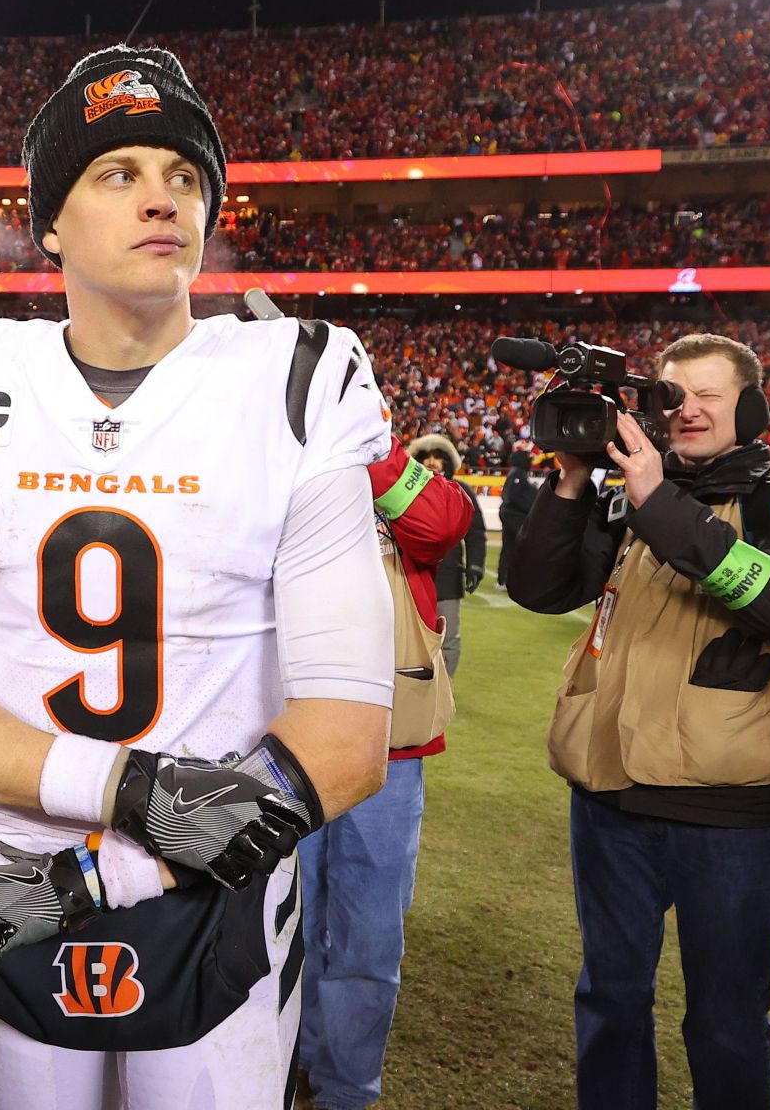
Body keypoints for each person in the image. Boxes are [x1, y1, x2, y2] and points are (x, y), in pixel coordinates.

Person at [0, 45, 396, 1110]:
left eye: (185, 175)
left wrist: (94, 871)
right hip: (24, 871)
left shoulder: (298, 376)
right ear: (49, 222)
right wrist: (132, 794)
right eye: (119, 173)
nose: (163, 196)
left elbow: (348, 735)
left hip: (207, 899)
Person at [509, 332, 770, 1110]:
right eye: (672, 395)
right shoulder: (626, 497)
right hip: (609, 797)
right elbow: (537, 589)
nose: (687, 409)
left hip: (732, 815)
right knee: (611, 1002)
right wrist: (569, 483)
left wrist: (657, 501)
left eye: (710, 395)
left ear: (753, 408)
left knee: (727, 1021)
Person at [298, 434, 473, 1110]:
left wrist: (365, 441)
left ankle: (346, 1090)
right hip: (290, 743)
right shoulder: (272, 459)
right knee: (289, 924)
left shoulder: (388, 468)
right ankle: (294, 1064)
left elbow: (442, 524)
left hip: (387, 750)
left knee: (368, 938)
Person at [412, 434, 484, 678]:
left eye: (438, 457)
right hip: (412, 576)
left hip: (448, 579)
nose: (432, 462)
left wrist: (475, 566)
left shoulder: (461, 491)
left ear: (448, 462)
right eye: (426, 457)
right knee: (412, 638)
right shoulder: (407, 492)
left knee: (449, 638)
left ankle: (445, 688)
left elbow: (475, 532)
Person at [497, 448, 538, 594]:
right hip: (514, 517)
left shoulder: (516, 473)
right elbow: (512, 497)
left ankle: (505, 579)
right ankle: (510, 580)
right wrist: (531, 506)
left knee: (510, 548)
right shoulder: (518, 475)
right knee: (518, 548)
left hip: (511, 516)